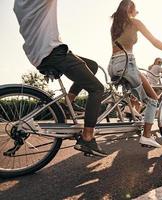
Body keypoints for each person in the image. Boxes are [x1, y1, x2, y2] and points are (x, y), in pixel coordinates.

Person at [13, 0, 107, 156]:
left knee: (92, 65)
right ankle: (87, 137)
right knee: (97, 89)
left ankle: (68, 101)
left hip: (38, 54)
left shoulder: (18, 3)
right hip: (53, 51)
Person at [108, 0, 162, 148]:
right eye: (136, 10)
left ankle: (131, 111)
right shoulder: (134, 22)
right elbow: (154, 41)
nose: (137, 13)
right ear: (131, 9)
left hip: (112, 65)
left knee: (136, 89)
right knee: (153, 99)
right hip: (127, 63)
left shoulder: (114, 26)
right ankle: (146, 136)